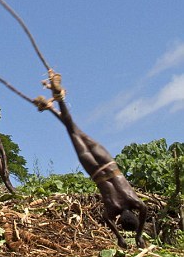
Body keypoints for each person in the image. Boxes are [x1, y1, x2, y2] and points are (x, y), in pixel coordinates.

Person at [40, 72, 147, 250]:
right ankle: (56, 100)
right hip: (95, 171)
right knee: (72, 132)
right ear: (120, 220)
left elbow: (144, 212)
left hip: (109, 164)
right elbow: (109, 222)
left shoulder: (136, 203)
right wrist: (121, 238)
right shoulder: (111, 211)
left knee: (76, 129)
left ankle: (57, 100)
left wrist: (139, 233)